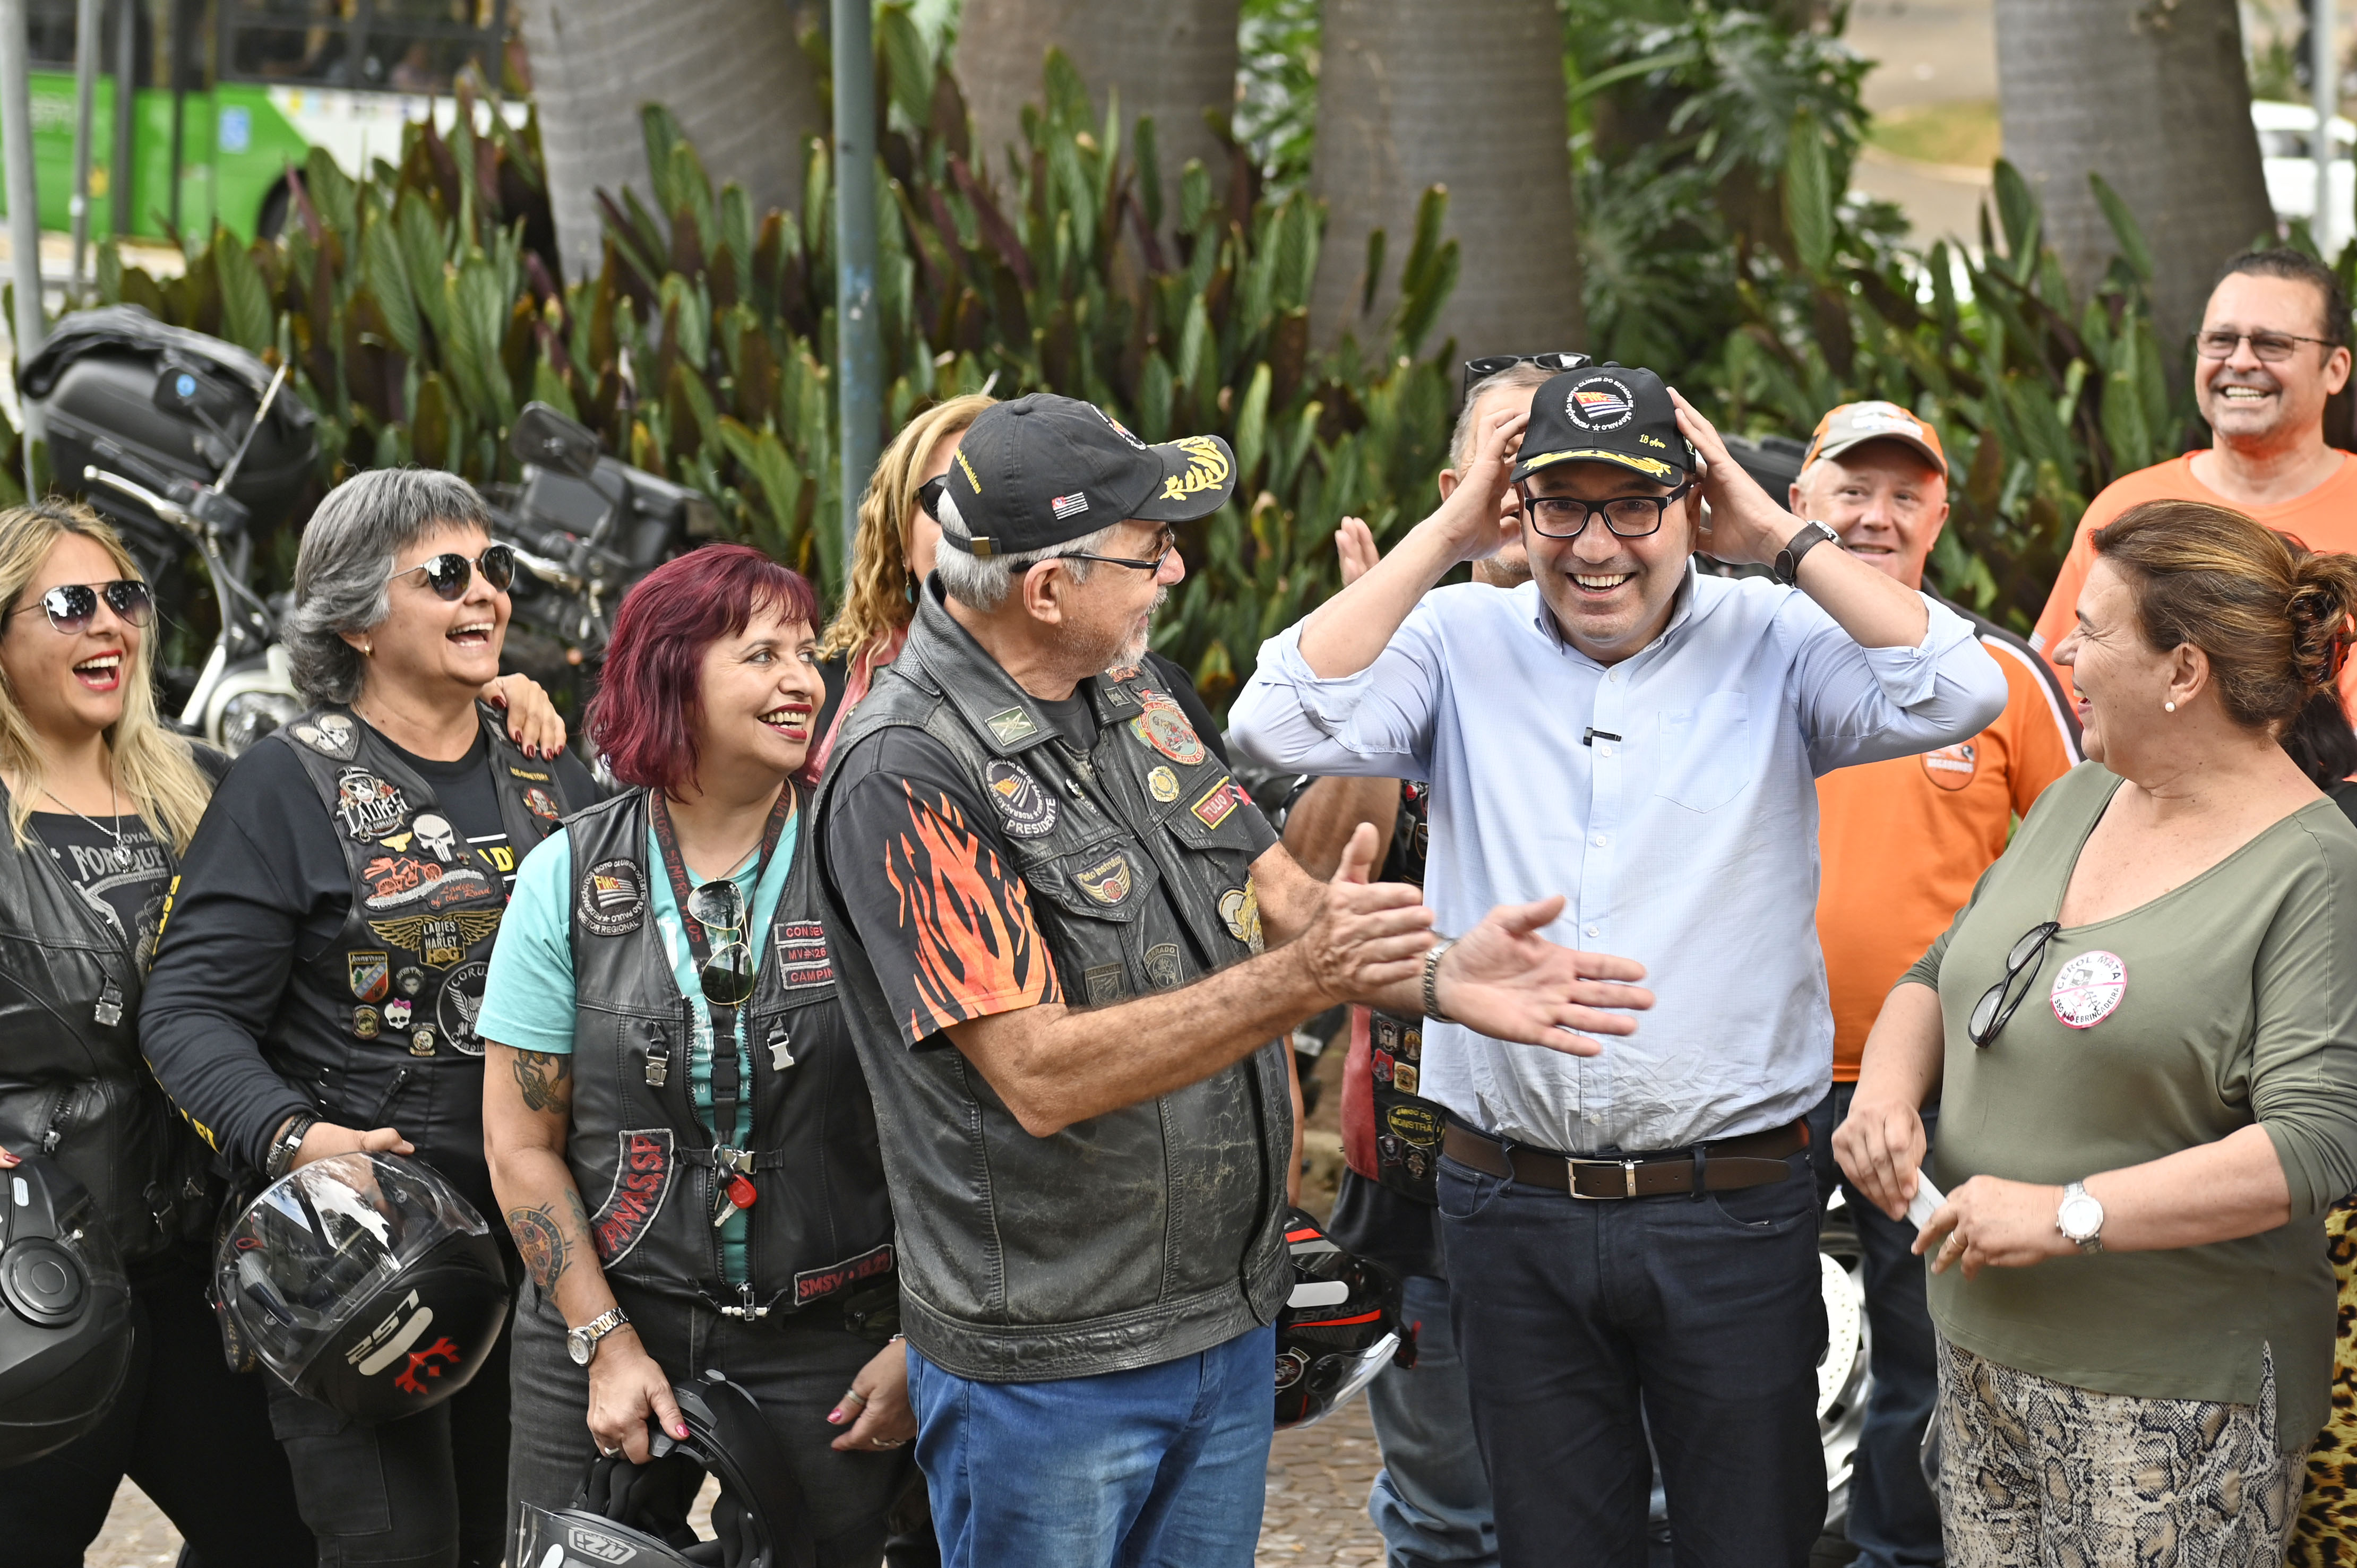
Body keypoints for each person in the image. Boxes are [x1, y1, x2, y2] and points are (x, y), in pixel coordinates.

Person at [812, 392, 1651, 1568]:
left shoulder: (1134, 691)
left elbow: (1289, 898)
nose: (1174, 567)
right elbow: (1039, 1072)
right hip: (1058, 1368)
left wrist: (1452, 975)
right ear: (1045, 589)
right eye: (1148, 546)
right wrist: (1303, 978)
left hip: (1224, 1322)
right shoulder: (904, 770)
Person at [1229, 362, 2009, 1567]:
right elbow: (1271, 720)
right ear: (1516, 508)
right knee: (1551, 1546)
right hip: (1511, 1204)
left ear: (1690, 506)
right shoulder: (1458, 634)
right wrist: (1443, 535)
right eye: (1560, 506)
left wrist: (1776, 533)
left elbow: (1961, 686)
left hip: (1732, 1206)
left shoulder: (1774, 635)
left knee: (1749, 1541)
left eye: (1632, 506)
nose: (1596, 545)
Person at [1835, 498, 2357, 1565]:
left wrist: (2072, 1214)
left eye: (2092, 628)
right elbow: (1942, 972)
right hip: (1983, 1353)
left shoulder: (2316, 869)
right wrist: (1886, 1091)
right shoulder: (2082, 795)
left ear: (2184, 671)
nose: (2060, 651)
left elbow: (2314, 1145)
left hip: (2173, 1402)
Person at [141, 468, 596, 1568]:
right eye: (446, 574)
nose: (485, 593)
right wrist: (296, 1137)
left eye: (495, 567)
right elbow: (187, 1010)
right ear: (353, 616)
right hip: (356, 1257)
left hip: (541, 1246)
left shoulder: (547, 771)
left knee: (512, 1543)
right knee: (398, 1547)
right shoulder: (286, 783)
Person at [483, 544, 918, 1565]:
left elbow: (953, 1128)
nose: (802, 678)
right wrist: (603, 1341)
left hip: (834, 1333)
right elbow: (520, 1141)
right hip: (599, 1314)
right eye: (761, 653)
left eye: (808, 652)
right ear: (670, 673)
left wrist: (924, 1344)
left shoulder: (869, 857)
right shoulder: (565, 874)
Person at [1281, 358, 1564, 1568]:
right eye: (1504, 453)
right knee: (1448, 1516)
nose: (1525, 478)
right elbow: (1297, 888)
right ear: (1456, 490)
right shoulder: (1399, 650)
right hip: (1422, 1169)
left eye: (1551, 453)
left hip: (1618, 1181)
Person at [1791, 401, 2079, 1568]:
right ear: (1800, 502)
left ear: (1941, 516)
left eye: (1905, 493)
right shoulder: (1728, 656)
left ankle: (1895, 1559)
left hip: (1943, 1095)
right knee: (1734, 1358)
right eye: (1851, 489)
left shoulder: (2001, 674)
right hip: (1751, 1082)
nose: (1875, 515)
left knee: (1935, 1362)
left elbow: (2089, 860)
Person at [0, 501, 311, 1565]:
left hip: (196, 1267)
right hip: (29, 1280)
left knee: (280, 1534)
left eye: (125, 599)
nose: (110, 627)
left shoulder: (204, 783)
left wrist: (492, 701)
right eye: (70, 604)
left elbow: (372, 802)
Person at [813, 394, 1231, 783]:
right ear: (898, 538)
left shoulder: (1148, 685)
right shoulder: (827, 696)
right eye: (949, 500)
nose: (977, 525)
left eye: (1003, 501)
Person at [2032, 249, 2357, 714]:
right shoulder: (2129, 506)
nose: (2241, 361)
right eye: (2221, 339)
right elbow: (2056, 699)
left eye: (2273, 343)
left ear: (2336, 369)